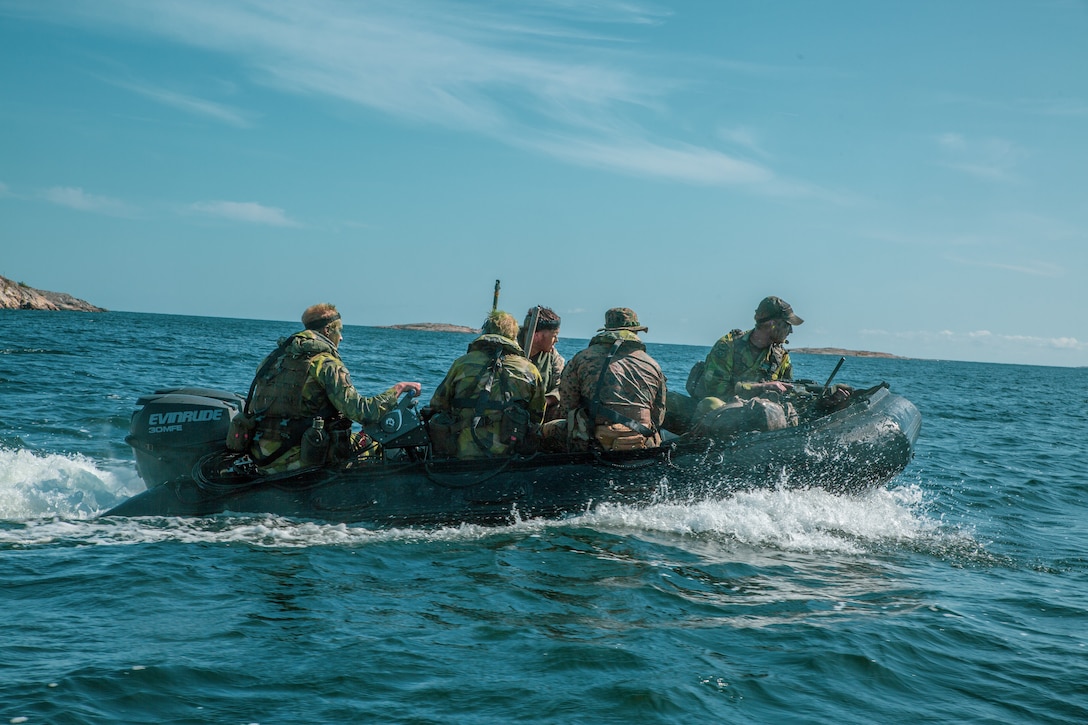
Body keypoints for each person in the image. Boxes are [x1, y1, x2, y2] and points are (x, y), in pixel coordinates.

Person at [244, 303, 422, 472]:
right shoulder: (326, 364)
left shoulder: (271, 360)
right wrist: (397, 389)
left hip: (261, 457)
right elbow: (363, 413)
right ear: (327, 331)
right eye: (340, 331)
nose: (342, 337)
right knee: (374, 443)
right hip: (299, 459)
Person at [428, 310, 546, 459]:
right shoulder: (530, 369)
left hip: (462, 452)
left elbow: (438, 404)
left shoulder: (462, 363)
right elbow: (537, 415)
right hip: (508, 452)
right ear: (514, 336)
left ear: (486, 331)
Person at [552, 307, 667, 451]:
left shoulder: (582, 358)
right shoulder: (653, 365)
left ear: (607, 330)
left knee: (545, 431)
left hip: (591, 442)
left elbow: (567, 407)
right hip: (640, 442)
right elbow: (658, 416)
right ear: (636, 332)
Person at [518, 306, 564, 421]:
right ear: (537, 336)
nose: (557, 340)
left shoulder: (553, 356)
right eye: (554, 335)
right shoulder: (510, 348)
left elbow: (561, 386)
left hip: (540, 411)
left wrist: (545, 401)